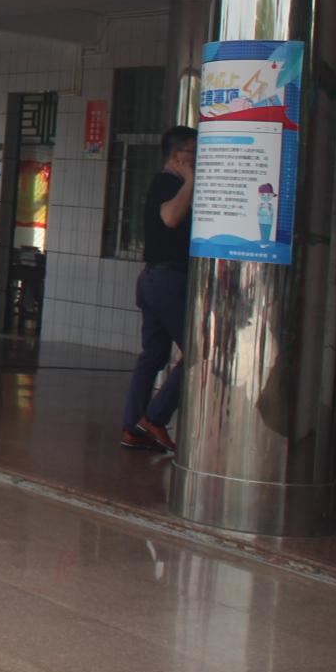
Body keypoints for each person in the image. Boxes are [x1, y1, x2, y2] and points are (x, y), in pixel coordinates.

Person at [120, 125, 196, 453]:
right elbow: (170, 218)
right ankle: (154, 418)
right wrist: (191, 181)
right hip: (167, 281)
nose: (200, 159)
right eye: (195, 153)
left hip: (155, 280)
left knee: (153, 355)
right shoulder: (168, 182)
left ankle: (133, 428)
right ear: (177, 156)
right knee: (199, 354)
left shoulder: (168, 183)